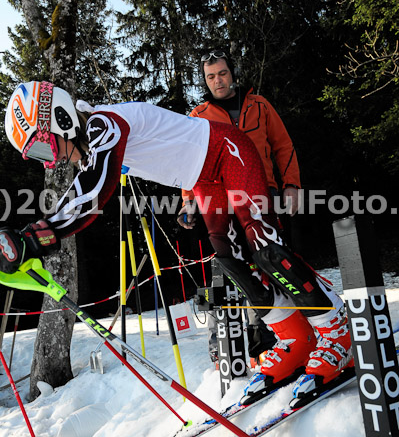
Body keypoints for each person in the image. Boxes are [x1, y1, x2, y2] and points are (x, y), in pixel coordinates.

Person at [0, 80, 353, 401]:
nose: (51, 162)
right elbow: (88, 184)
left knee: (265, 246)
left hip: (229, 151)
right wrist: (41, 234)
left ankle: (336, 331)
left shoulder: (102, 124)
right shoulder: (94, 139)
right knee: (230, 259)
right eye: (39, 157)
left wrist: (39, 234)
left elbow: (93, 191)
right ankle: (295, 337)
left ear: (61, 118)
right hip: (204, 179)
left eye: (45, 148)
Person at [177, 49, 301, 367]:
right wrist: (188, 200)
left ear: (232, 73)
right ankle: (254, 337)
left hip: (263, 195)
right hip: (222, 201)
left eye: (222, 73)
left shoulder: (259, 105)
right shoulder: (198, 116)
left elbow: (284, 145)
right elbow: (189, 161)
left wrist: (292, 185)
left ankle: (290, 333)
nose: (218, 80)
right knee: (237, 268)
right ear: (205, 81)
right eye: (210, 77)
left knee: (273, 261)